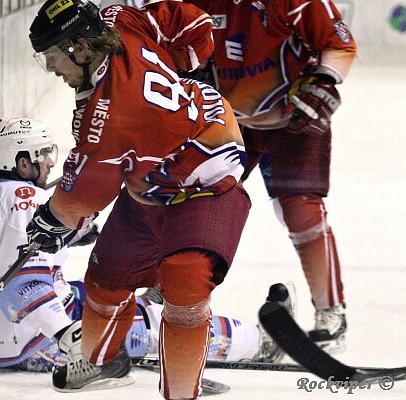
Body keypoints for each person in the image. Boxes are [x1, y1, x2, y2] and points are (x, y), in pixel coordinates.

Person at [27, 1, 251, 398]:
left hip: (207, 171)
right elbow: (192, 20)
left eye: (53, 57)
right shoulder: (118, 19)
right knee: (107, 277)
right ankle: (104, 362)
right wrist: (186, 64)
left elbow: (85, 195)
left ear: (80, 47)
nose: (51, 68)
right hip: (151, 177)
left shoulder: (109, 117)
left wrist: (52, 219)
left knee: (185, 282)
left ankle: (180, 392)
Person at [0, 117, 294, 377]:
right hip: (28, 340)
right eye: (41, 155)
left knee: (100, 294)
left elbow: (8, 252)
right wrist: (67, 335)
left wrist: (72, 233)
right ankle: (259, 342)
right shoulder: (24, 199)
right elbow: (21, 286)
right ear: (22, 163)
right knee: (150, 323)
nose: (50, 163)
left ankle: (142, 304)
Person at [171, 0, 356, 354]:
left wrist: (324, 82)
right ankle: (164, 293)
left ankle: (331, 311)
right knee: (196, 202)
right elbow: (181, 52)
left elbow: (338, 44)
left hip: (294, 118)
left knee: (301, 211)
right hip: (228, 118)